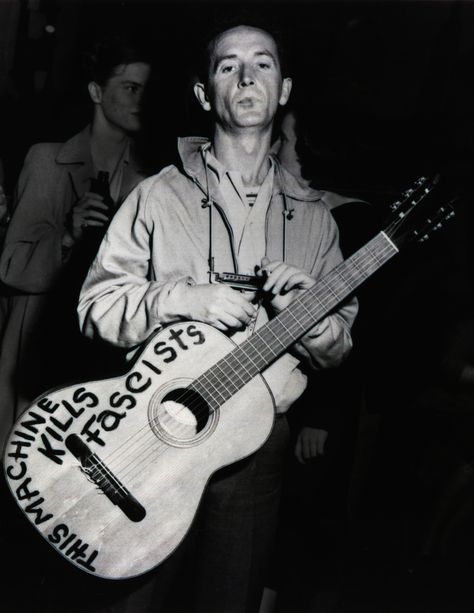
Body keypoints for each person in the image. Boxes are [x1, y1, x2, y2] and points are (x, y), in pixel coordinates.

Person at [77, 20, 357, 613]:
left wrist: (309, 320)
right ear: (206, 94)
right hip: (154, 430)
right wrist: (178, 299)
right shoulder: (158, 195)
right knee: (132, 599)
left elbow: (338, 348)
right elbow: (94, 307)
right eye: (229, 65)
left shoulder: (317, 221)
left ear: (283, 90)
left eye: (264, 63)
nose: (248, 76)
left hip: (259, 450)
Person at [0, 35, 152, 449]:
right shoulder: (47, 160)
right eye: (130, 87)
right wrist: (66, 234)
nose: (141, 99)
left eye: (147, 89)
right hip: (37, 344)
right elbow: (11, 265)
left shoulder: (150, 179)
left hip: (98, 350)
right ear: (96, 92)